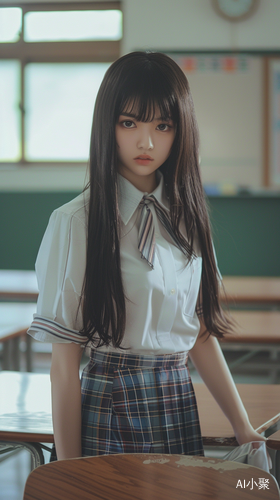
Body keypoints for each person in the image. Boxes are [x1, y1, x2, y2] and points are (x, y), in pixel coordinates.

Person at [28, 51, 266, 460]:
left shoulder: (189, 220)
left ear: (181, 131)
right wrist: (68, 472)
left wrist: (242, 426)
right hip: (110, 403)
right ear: (108, 125)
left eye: (163, 125)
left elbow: (200, 335)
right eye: (129, 122)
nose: (146, 142)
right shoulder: (75, 222)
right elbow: (64, 366)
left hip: (176, 399)